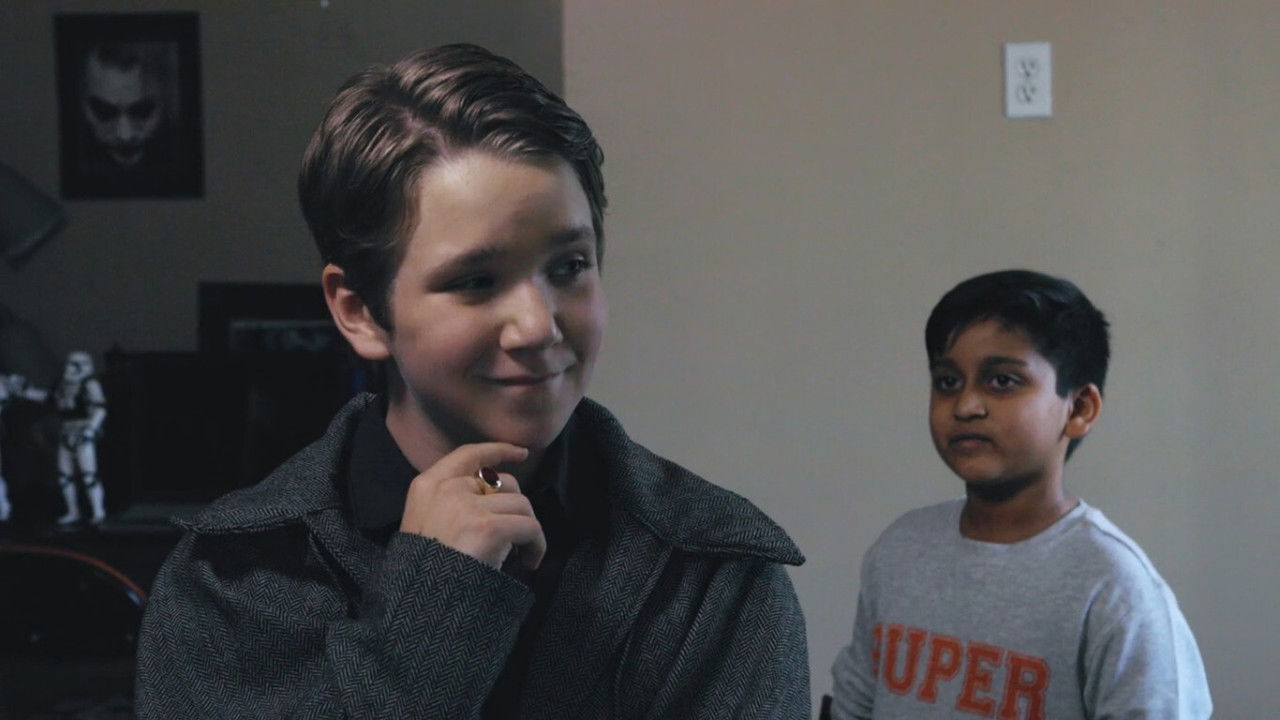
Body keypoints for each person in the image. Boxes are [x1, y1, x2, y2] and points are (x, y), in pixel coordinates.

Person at [136, 44, 809, 718]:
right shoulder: (231, 582)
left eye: (569, 266)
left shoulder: (712, 578)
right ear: (360, 311)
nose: (537, 326)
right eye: (476, 281)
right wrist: (436, 604)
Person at [828, 269, 1211, 719]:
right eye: (947, 382)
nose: (966, 406)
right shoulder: (899, 550)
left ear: (1079, 409)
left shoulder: (1115, 588)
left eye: (1003, 381)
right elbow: (853, 705)